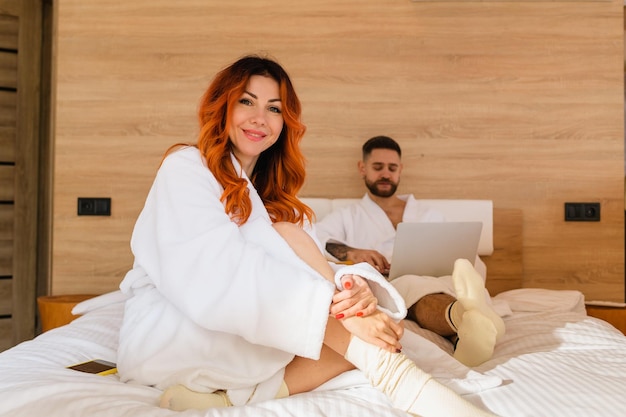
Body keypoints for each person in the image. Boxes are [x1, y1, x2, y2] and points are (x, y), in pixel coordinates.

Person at [116, 55, 498, 417]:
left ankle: (235, 399)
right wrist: (343, 310)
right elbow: (214, 273)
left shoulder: (280, 201)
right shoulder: (186, 167)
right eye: (246, 101)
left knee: (373, 327)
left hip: (258, 331)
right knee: (303, 258)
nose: (259, 118)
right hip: (183, 330)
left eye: (274, 108)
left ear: (286, 122)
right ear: (223, 106)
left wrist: (354, 292)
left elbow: (319, 266)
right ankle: (399, 378)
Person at [315, 135, 506, 367]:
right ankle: (471, 318)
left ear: (400, 170)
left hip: (442, 277)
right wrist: (352, 252)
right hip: (399, 282)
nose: (386, 173)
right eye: (378, 167)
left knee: (463, 268)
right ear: (362, 168)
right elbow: (315, 239)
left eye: (392, 168)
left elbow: (461, 249)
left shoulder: (428, 215)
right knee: (411, 286)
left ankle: (469, 324)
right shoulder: (348, 216)